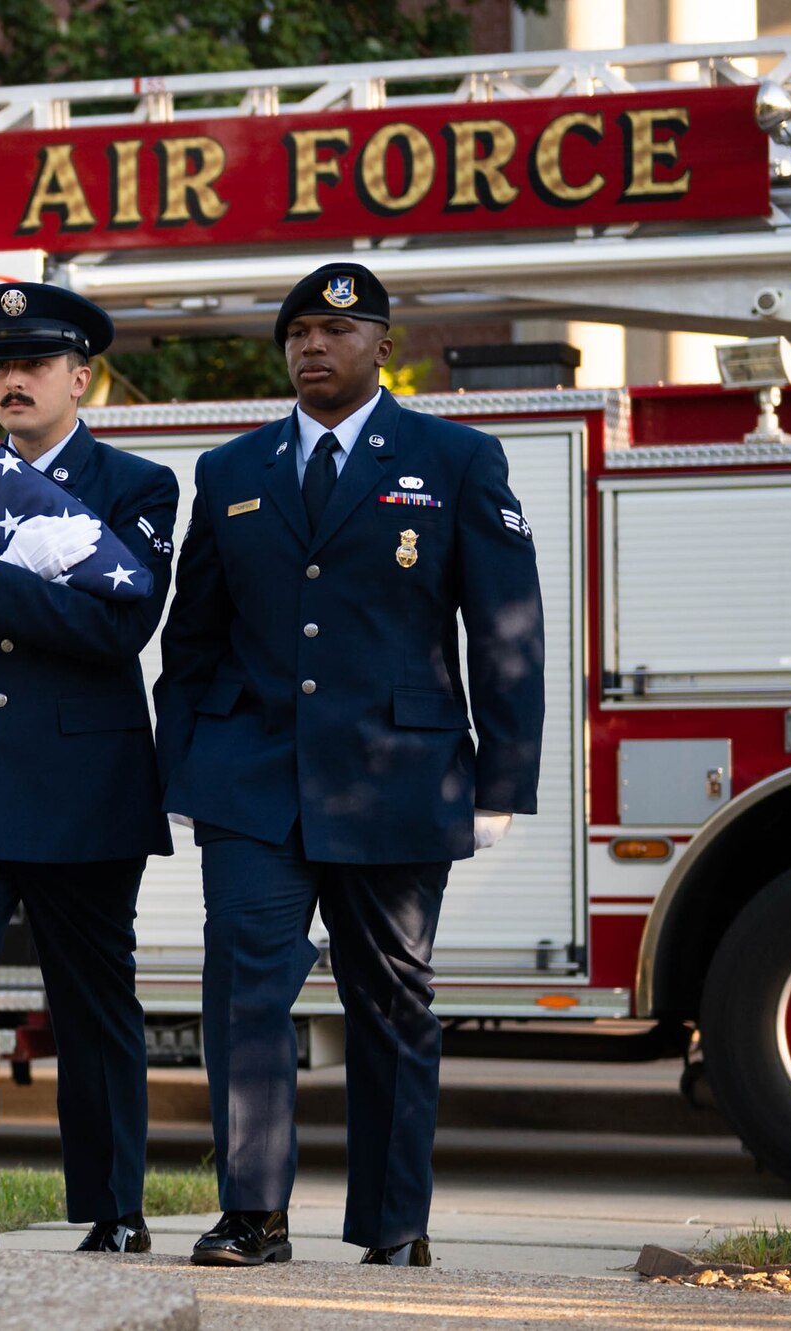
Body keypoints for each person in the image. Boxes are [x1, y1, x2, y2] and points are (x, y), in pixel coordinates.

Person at [154, 262, 545, 1268]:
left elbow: (505, 628)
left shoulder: (453, 458)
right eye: (295, 334)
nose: (311, 348)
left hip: (396, 778)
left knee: (392, 1003)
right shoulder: (233, 471)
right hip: (252, 781)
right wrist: (185, 768)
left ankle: (390, 1222)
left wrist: (502, 779)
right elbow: (191, 638)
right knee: (242, 996)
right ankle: (251, 1213)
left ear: (382, 345)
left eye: (335, 331)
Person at [0, 282, 178, 1252]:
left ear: (78, 375)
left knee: (92, 999)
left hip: (83, 787)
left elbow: (116, 628)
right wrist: (8, 588)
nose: (11, 378)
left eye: (33, 363)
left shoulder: (134, 486)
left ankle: (112, 1207)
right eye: (0, 364)